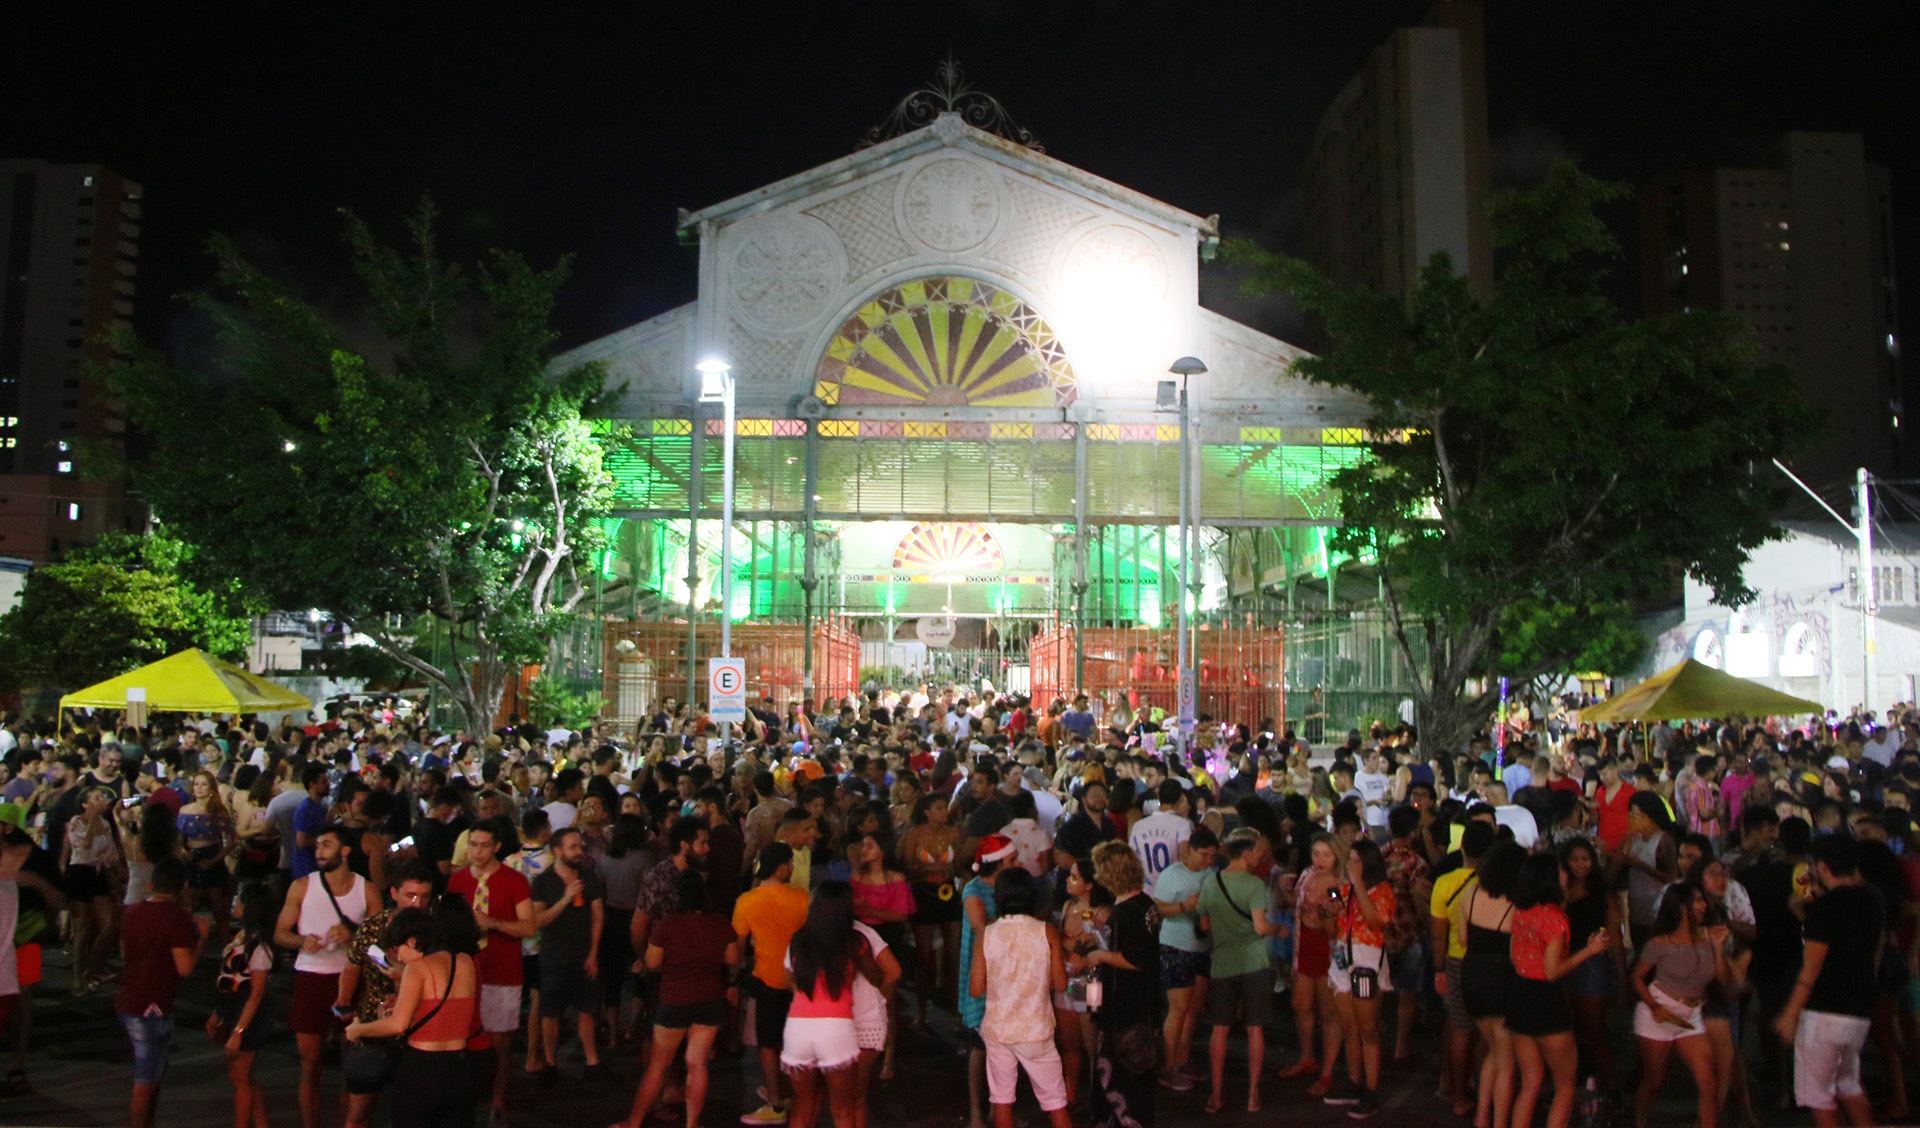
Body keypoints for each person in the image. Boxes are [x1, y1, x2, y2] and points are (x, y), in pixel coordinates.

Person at [276, 823, 381, 1128]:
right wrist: (300, 940)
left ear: (345, 851)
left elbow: (381, 944)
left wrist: (354, 936)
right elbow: (280, 933)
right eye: (318, 845)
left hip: (350, 981)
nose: (318, 850)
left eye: (326, 845)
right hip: (311, 978)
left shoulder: (367, 890)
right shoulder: (302, 886)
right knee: (310, 1063)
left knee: (353, 1065)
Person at [615, 870, 738, 1128]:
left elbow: (652, 962)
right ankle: (692, 1124)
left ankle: (634, 1122)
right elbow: (732, 959)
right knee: (697, 1064)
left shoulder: (667, 926)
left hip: (674, 1000)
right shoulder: (720, 924)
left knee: (658, 1065)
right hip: (709, 1000)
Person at [1775, 833, 1882, 1127]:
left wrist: (1789, 1014)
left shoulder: (1825, 908)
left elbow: (1811, 970)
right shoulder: (1873, 899)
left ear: (1822, 866)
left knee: (1819, 1097)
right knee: (1848, 1085)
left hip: (1824, 1012)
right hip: (1858, 1009)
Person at [344, 904, 482, 1128]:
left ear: (411, 941)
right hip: (459, 1067)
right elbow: (447, 1012)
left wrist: (358, 1030)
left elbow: (398, 1025)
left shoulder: (417, 969)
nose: (398, 957)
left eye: (397, 949)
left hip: (422, 1069)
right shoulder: (465, 962)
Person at [1507, 853, 1609, 1128]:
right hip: (1545, 1001)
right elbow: (1552, 971)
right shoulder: (1555, 919)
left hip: (1518, 995)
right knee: (1565, 1086)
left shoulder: (1521, 912)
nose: (1568, 875)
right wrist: (1590, 950)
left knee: (1529, 1083)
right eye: (1562, 871)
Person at [448, 816, 535, 1127]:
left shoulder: (514, 881)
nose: (477, 851)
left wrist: (494, 923)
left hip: (503, 972)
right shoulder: (457, 882)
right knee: (461, 1038)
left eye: (484, 846)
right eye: (473, 845)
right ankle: (465, 1099)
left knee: (499, 1043)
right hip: (465, 972)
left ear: (497, 847)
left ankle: (498, 1103)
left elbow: (529, 926)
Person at [972, 867, 1074, 1128]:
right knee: (1056, 1102)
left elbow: (975, 989)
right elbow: (1061, 985)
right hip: (1036, 1029)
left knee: (1002, 1100)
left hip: (998, 1029)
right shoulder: (1047, 932)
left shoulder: (986, 935)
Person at [116, 856, 212, 1128]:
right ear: (182, 886)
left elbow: (124, 952)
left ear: (150, 884)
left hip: (129, 997)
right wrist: (202, 938)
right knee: (147, 1077)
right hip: (153, 1003)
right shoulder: (178, 918)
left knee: (151, 1072)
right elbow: (185, 967)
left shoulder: (132, 911)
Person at [1197, 828, 1282, 1115]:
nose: (1259, 857)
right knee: (1254, 1029)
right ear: (1246, 854)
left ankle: (1216, 1093)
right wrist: (1277, 929)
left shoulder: (1211, 882)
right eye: (1256, 852)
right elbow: (1260, 927)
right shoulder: (1255, 885)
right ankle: (1253, 1094)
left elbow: (1205, 925)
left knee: (1219, 1030)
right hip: (1253, 963)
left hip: (1222, 964)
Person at [1632, 882, 1727, 1128]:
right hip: (1659, 1010)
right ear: (1682, 907)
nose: (1704, 905)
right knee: (1655, 1079)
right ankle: (1641, 1119)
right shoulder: (1661, 943)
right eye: (1698, 900)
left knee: (1708, 1080)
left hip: (1691, 1013)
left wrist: (1718, 949)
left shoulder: (1710, 937)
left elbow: (1723, 979)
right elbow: (1637, 976)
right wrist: (1653, 1006)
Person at [1083, 839, 1160, 1128]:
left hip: (1124, 1007)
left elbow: (1136, 959)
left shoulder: (1125, 912)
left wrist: (1101, 954)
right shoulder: (1146, 904)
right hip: (1144, 1003)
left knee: (1121, 1076)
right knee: (1140, 1074)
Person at [735, 843, 810, 1126]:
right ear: (781, 867)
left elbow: (738, 947)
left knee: (767, 1045)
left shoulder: (746, 901)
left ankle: (776, 1104)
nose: (792, 869)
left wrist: (735, 979)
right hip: (798, 982)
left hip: (765, 979)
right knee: (794, 1043)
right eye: (791, 863)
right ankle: (791, 1095)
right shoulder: (802, 898)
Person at [1322, 837, 1395, 1119]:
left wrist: (1358, 884)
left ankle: (1371, 1091)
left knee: (1368, 1031)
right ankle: (1354, 1083)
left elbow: (1376, 920)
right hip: (1341, 962)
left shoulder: (1382, 891)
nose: (1350, 865)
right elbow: (1331, 929)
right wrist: (1329, 911)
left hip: (1368, 962)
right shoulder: (1340, 890)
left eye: (1355, 860)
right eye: (1348, 860)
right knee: (1349, 1028)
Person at [531, 825, 608, 1081]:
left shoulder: (589, 876)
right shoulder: (543, 882)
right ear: (557, 851)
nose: (580, 851)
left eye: (580, 846)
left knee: (587, 1009)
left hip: (584, 954)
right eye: (573, 846)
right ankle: (551, 1062)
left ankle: (592, 1060)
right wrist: (565, 898)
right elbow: (538, 920)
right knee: (550, 1012)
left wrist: (594, 953)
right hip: (554, 957)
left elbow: (598, 916)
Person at [1460, 841, 1525, 1128]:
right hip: (1501, 979)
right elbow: (1517, 953)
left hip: (1471, 974)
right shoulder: (1517, 905)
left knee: (1493, 1052)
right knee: (1506, 1063)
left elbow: (1463, 940)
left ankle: (1482, 1117)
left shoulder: (1470, 894)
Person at [1151, 827, 1215, 1093]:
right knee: (1178, 1009)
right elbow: (1155, 910)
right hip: (1176, 946)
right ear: (1190, 851)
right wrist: (1184, 907)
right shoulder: (1171, 875)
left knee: (1194, 1009)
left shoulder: (1210, 874)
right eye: (1203, 855)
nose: (1208, 861)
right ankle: (1167, 1066)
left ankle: (1183, 1059)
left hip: (1202, 947)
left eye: (1212, 856)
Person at [960, 834, 1014, 1128]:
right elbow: (982, 927)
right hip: (981, 975)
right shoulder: (974, 889)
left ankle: (998, 1111)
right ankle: (976, 1115)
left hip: (1005, 976)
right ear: (997, 863)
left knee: (1002, 1049)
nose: (1017, 864)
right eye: (1012, 860)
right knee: (979, 1047)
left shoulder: (1008, 886)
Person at [214, 881, 277, 1128]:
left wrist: (238, 1032)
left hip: (250, 1014)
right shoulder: (242, 936)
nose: (234, 903)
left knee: (238, 1075)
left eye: (239, 900)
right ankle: (261, 1123)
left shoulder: (259, 947)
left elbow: (256, 993)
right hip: (235, 1008)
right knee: (245, 1075)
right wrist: (217, 1013)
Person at [900, 792, 963, 1025]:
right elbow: (907, 869)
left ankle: (957, 1009)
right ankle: (922, 1011)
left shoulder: (953, 833)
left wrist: (950, 870)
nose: (945, 811)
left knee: (953, 954)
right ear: (927, 812)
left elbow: (959, 865)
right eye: (939, 807)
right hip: (923, 894)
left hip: (948, 892)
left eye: (945, 806)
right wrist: (930, 869)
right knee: (924, 956)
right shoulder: (914, 835)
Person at [63, 783, 123, 994]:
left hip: (98, 874)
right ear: (85, 803)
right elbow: (83, 846)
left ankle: (93, 968)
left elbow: (110, 855)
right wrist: (91, 821)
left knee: (108, 924)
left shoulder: (106, 824)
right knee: (82, 928)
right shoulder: (76, 822)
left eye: (102, 798)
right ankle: (77, 976)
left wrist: (118, 876)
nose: (101, 801)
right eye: (96, 798)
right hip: (80, 873)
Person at [180, 769, 237, 944]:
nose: (199, 788)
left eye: (204, 784)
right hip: (191, 858)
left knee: (218, 906)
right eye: (196, 784)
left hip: (212, 857)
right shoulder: (184, 810)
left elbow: (231, 841)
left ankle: (226, 946)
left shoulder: (219, 811)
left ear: (211, 787)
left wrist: (214, 860)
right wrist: (184, 852)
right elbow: (178, 839)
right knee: (187, 905)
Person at [1127, 781, 1191, 896]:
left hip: (1146, 891)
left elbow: (1131, 859)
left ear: (1158, 796)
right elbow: (1184, 859)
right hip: (1172, 892)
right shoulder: (1183, 825)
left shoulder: (1139, 826)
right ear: (1180, 799)